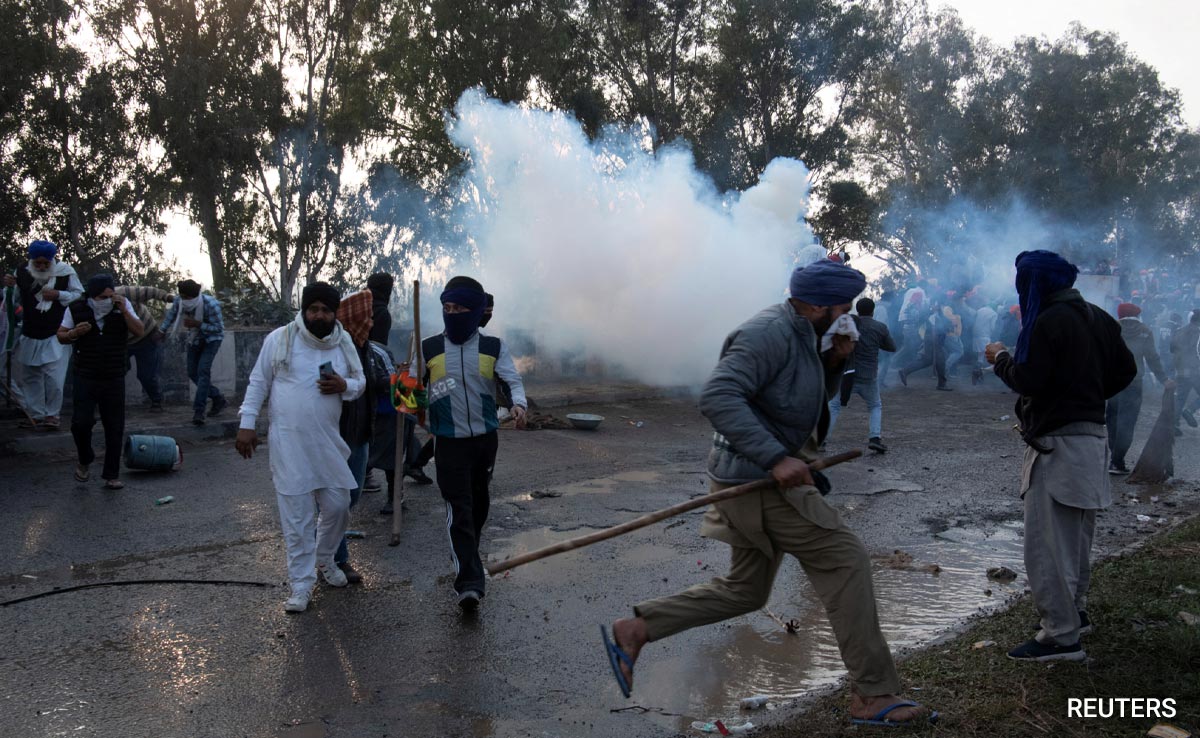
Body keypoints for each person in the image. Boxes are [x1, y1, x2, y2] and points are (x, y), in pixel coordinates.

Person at [604, 260, 935, 727]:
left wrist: (833, 361)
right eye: (844, 308)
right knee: (846, 560)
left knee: (746, 590)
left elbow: (792, 396)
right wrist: (777, 458)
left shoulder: (806, 335)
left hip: (748, 479)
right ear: (819, 305)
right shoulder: (768, 334)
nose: (850, 317)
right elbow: (718, 396)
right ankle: (874, 695)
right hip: (755, 482)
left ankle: (636, 627)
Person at [987, 251, 1135, 662]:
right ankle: (1077, 614)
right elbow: (1126, 371)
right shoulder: (1098, 317)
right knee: (1077, 538)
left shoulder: (1047, 321)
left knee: (1048, 545)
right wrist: (1087, 397)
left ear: (1033, 284)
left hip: (1057, 447)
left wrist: (1001, 359)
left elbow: (1028, 380)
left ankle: (1061, 636)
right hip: (1091, 438)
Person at [236, 282, 365, 613]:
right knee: (298, 518)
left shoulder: (343, 342)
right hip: (289, 444)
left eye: (325, 310)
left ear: (335, 313)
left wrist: (344, 384)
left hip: (327, 444)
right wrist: (247, 424)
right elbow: (258, 382)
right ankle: (301, 585)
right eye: (313, 309)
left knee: (339, 506)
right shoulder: (280, 339)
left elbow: (359, 382)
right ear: (304, 310)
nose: (319, 315)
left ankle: (324, 559)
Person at [423, 276, 528, 612]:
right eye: (447, 308)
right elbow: (410, 390)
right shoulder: (428, 348)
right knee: (460, 509)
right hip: (448, 442)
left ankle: (468, 555)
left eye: (459, 308)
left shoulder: (493, 346)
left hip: (485, 440)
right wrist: (406, 395)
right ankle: (469, 582)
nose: (451, 314)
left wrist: (519, 404)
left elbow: (511, 379)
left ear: (475, 311)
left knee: (479, 505)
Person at [57, 274, 144, 489]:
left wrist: (124, 310)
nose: (106, 300)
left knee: (114, 425)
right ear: (92, 296)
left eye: (109, 295)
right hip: (85, 374)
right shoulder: (76, 308)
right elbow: (61, 334)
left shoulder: (122, 306)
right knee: (81, 423)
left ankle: (111, 474)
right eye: (101, 297)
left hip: (114, 375)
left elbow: (139, 331)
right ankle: (85, 459)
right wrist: (75, 333)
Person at [335, 290, 388, 583]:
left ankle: (329, 542)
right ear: (352, 317)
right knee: (338, 500)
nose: (369, 321)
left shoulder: (365, 348)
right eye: (365, 316)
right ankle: (337, 558)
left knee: (351, 495)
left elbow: (374, 382)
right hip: (339, 434)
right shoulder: (336, 350)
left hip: (361, 433)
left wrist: (394, 380)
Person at [3, 240, 82, 430]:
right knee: (31, 376)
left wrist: (59, 295)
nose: (41, 267)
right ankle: (36, 414)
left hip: (56, 332)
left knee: (54, 379)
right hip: (31, 331)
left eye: (45, 263)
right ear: (31, 260)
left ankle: (52, 416)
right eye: (37, 263)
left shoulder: (65, 271)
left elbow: (79, 294)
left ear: (52, 260)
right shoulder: (21, 271)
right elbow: (12, 300)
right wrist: (10, 287)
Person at [1106, 303, 1171, 474]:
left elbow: (1102, 353)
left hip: (1112, 383)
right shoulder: (1145, 330)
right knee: (1127, 422)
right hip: (1133, 383)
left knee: (1112, 419)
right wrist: (1163, 379)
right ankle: (1117, 460)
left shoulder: (1111, 327)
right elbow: (1152, 357)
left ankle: (1114, 455)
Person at [827, 297, 895, 453]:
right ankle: (875, 438)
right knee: (875, 405)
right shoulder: (880, 327)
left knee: (834, 406)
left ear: (857, 310)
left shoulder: (847, 326)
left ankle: (822, 441)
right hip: (868, 375)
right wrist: (877, 342)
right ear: (872, 311)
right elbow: (892, 347)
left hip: (846, 375)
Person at [161, 279, 228, 425]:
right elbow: (171, 316)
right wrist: (162, 330)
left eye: (187, 297)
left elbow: (218, 328)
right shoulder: (179, 302)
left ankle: (199, 411)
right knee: (192, 373)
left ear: (194, 296)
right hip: (195, 339)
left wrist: (198, 324)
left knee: (203, 371)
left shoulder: (211, 304)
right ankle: (217, 397)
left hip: (212, 340)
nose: (184, 300)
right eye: (182, 296)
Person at [115, 285, 175, 411]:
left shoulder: (125, 293)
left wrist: (168, 297)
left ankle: (156, 401)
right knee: (116, 372)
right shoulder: (92, 306)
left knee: (146, 375)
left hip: (147, 336)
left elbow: (150, 291)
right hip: (122, 342)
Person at [1170, 310, 1200, 434]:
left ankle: (1173, 425)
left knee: (1180, 397)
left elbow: (1172, 348)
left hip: (1180, 369)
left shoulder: (1179, 330)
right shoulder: (1198, 332)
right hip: (1194, 370)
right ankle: (1190, 410)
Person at [970, 298, 998, 385]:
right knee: (981, 357)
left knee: (979, 356)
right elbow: (993, 327)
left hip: (975, 335)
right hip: (985, 336)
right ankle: (977, 374)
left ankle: (978, 375)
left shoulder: (980, 310)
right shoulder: (994, 313)